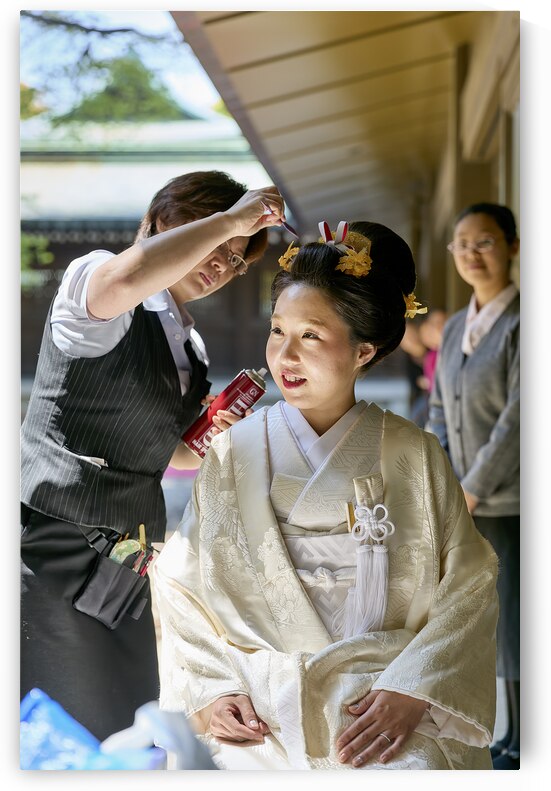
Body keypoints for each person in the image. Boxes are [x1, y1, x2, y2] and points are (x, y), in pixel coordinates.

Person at [154, 220, 499, 770]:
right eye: (277, 331)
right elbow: (180, 581)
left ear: (364, 350)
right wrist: (213, 690)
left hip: (383, 701)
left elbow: (469, 582)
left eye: (311, 335)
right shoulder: (234, 450)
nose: (284, 355)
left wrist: (416, 689)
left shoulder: (413, 452)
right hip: (260, 707)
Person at [20, 170, 287, 741]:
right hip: (54, 542)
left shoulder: (189, 343)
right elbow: (133, 273)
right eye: (216, 243)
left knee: (127, 719)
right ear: (162, 220)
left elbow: (167, 455)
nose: (222, 263)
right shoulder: (93, 276)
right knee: (65, 722)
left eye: (236, 259)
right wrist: (236, 219)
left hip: (130, 554)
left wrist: (209, 432)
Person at [427, 202, 520, 770]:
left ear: (512, 246)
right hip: (463, 498)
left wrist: (475, 486)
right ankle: (506, 732)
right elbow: (439, 409)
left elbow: (522, 415)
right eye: (461, 244)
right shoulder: (459, 325)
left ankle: (524, 737)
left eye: (483, 242)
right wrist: (442, 479)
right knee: (485, 618)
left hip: (511, 501)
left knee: (516, 618)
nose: (471, 253)